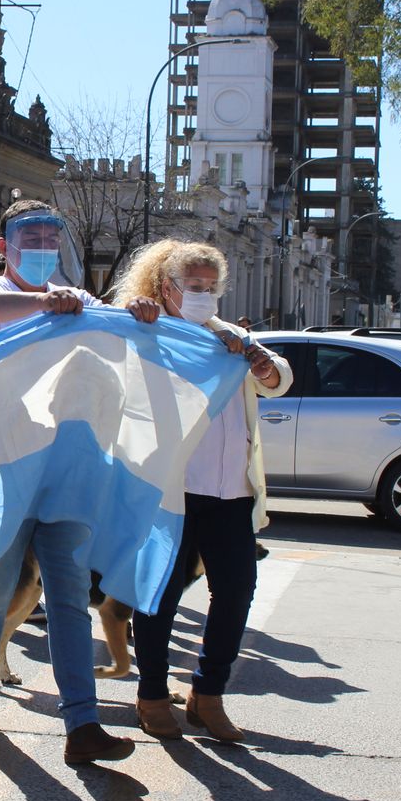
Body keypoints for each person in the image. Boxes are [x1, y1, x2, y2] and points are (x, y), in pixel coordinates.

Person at [0, 199, 139, 764]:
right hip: (2, 469)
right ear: (5, 246)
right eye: (28, 238)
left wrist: (141, 317)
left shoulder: (78, 303)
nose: (40, 248)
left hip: (66, 472)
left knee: (68, 597)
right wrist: (43, 300)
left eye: (49, 239)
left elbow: (117, 346)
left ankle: (82, 723)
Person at [112, 239, 292, 743]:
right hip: (172, 492)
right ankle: (151, 695)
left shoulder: (229, 336)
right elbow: (117, 373)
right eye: (194, 286)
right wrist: (138, 323)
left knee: (236, 592)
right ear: (167, 288)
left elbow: (279, 378)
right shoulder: (148, 331)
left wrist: (262, 365)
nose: (203, 295)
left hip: (231, 491)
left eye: (211, 287)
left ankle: (207, 695)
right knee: (160, 596)